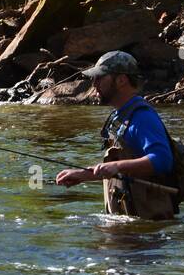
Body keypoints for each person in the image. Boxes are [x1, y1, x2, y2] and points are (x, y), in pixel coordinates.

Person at [55, 51, 177, 219]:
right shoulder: (121, 115)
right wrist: (82, 175)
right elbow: (116, 169)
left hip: (149, 228)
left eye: (100, 77)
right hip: (129, 221)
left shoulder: (143, 117)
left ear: (121, 80)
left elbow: (162, 160)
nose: (94, 84)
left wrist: (118, 167)